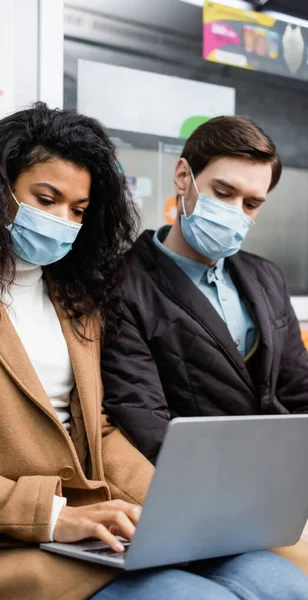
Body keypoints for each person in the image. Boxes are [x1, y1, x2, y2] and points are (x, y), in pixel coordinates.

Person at [0, 105, 308, 600]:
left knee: (286, 586)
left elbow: (100, 428)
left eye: (77, 210)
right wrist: (53, 515)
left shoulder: (75, 298)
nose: (61, 221)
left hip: (95, 522)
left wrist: (172, 510)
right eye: (46, 199)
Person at [101, 115, 308, 575]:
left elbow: (297, 393)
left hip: (283, 490)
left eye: (252, 203)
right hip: (202, 499)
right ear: (183, 178)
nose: (236, 212)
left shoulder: (264, 276)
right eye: (222, 192)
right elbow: (147, 426)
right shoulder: (123, 286)